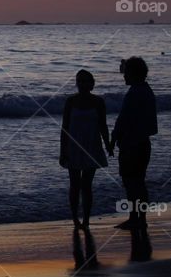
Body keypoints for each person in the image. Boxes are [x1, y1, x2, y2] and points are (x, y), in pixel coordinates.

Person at [109, 56, 157, 230]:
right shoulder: (146, 91)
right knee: (138, 182)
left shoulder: (135, 93)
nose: (124, 76)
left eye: (126, 72)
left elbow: (123, 120)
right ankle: (139, 218)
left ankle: (135, 218)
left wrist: (114, 138)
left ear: (133, 73)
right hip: (142, 143)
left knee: (131, 182)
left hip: (132, 145)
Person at [60, 69, 111, 229]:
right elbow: (64, 128)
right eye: (79, 81)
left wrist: (108, 143)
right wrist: (63, 150)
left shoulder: (98, 102)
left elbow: (103, 125)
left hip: (92, 145)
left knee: (87, 184)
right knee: (74, 184)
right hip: (73, 146)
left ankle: (87, 220)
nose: (82, 84)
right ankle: (75, 219)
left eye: (85, 81)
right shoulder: (71, 101)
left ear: (92, 84)